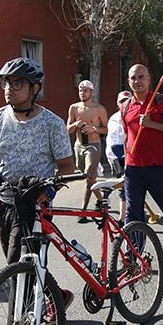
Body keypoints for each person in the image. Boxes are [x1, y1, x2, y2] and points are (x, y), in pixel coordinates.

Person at [0, 57, 76, 266]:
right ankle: (57, 296)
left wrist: (53, 188)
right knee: (20, 266)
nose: (9, 88)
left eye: (17, 83)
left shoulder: (52, 124)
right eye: (6, 83)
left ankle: (38, 297)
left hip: (36, 205)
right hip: (4, 202)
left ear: (35, 88)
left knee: (18, 267)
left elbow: (67, 166)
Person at [120, 64, 163, 258]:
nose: (137, 81)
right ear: (129, 81)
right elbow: (127, 136)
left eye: (141, 77)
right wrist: (125, 161)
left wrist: (151, 124)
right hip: (133, 169)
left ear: (149, 79)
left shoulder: (161, 101)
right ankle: (135, 252)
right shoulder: (125, 106)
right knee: (133, 213)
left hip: (157, 167)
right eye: (133, 78)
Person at [67, 80, 108, 222]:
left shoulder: (99, 109)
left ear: (92, 92)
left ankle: (83, 211)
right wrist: (75, 124)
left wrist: (94, 129)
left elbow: (106, 129)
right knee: (89, 178)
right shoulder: (74, 108)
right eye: (80, 90)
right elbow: (67, 130)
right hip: (79, 146)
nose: (82, 93)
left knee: (89, 177)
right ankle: (102, 201)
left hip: (93, 145)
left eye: (85, 90)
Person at [106, 90, 133, 222]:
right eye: (121, 101)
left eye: (127, 100)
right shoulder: (113, 119)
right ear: (117, 103)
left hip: (131, 156)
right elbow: (110, 141)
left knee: (128, 187)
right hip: (116, 157)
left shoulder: (135, 116)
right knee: (123, 186)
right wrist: (112, 159)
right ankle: (125, 216)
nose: (124, 103)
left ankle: (124, 217)